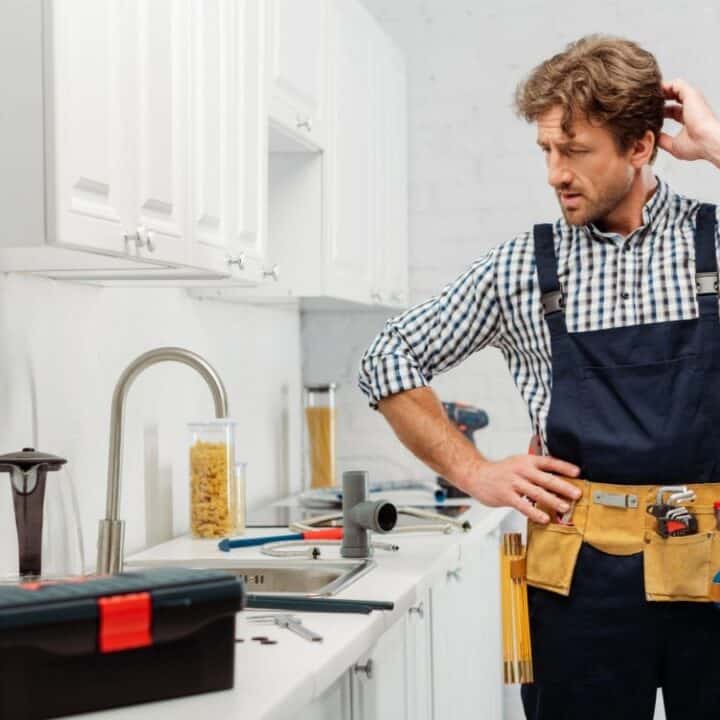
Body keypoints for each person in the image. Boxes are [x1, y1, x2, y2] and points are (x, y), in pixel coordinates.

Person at [357, 35, 720, 720]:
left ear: (640, 146)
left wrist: (716, 143)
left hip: (712, 566)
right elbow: (385, 359)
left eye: (575, 151)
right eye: (548, 151)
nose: (556, 173)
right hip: (579, 583)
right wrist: (475, 472)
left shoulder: (714, 245)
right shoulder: (523, 267)